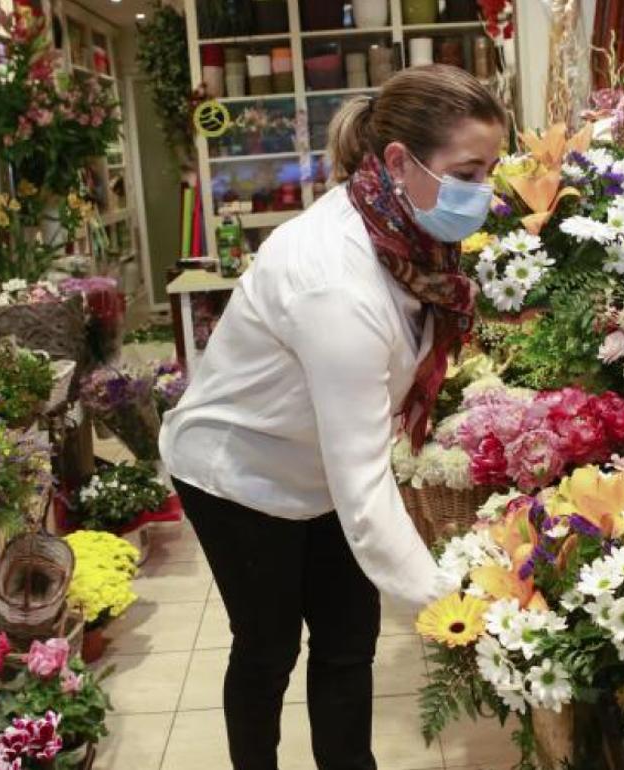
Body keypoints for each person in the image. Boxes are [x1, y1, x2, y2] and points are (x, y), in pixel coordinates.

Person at [160, 64, 506, 770]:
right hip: (239, 473)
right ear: (400, 163)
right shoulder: (333, 279)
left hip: (319, 454)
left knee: (348, 644)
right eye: (469, 171)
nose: (485, 194)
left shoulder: (408, 235)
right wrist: (453, 605)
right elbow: (361, 485)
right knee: (269, 646)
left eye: (492, 170)